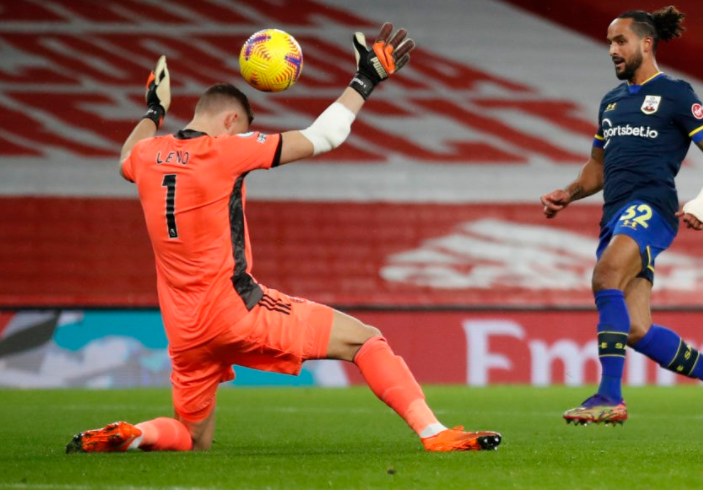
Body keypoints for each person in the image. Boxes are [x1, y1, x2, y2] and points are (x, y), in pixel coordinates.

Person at [66, 23, 501, 453]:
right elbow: (324, 136)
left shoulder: (147, 155)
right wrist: (364, 80)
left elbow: (125, 154)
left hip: (183, 329)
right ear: (231, 120)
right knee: (364, 339)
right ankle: (434, 433)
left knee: (193, 438)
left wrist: (152, 111)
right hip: (235, 311)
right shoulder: (224, 150)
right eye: (241, 128)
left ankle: (137, 434)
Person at [541, 7, 703, 436]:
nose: (613, 51)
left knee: (604, 278)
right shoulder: (612, 102)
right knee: (635, 328)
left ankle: (609, 397)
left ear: (646, 43)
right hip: (615, 214)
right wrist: (569, 192)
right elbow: (596, 170)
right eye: (609, 43)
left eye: (620, 41)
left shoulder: (675, 93)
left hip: (651, 207)